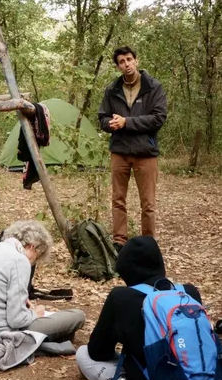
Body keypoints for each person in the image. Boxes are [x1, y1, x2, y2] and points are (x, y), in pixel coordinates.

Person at [75, 236, 219, 380]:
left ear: (125, 270)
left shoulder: (121, 297)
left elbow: (98, 352)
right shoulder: (189, 292)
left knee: (83, 354)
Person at [0, 220, 85, 341]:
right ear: (32, 247)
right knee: (77, 316)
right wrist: (35, 313)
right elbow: (16, 320)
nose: (33, 262)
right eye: (37, 257)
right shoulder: (20, 260)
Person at [98, 46, 167, 251]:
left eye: (129, 59)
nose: (126, 64)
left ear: (136, 60)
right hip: (119, 152)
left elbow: (158, 118)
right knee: (118, 200)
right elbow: (102, 117)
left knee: (148, 203)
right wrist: (111, 123)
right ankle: (120, 241)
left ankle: (149, 243)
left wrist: (127, 122)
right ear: (118, 66)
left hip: (145, 152)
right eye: (121, 61)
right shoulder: (112, 90)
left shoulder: (153, 87)